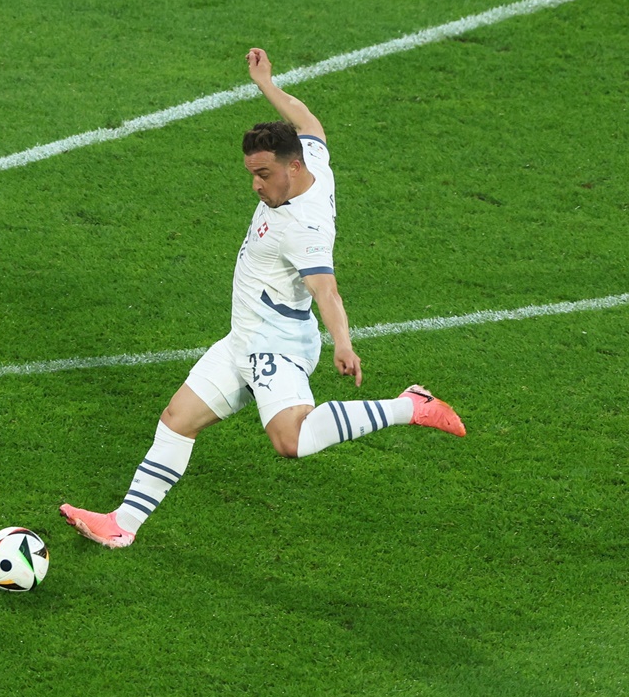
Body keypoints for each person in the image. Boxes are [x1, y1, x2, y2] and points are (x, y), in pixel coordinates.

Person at [60, 48, 465, 549]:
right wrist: (267, 85)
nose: (255, 185)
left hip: (276, 346)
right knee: (177, 420)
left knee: (289, 441)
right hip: (244, 338)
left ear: (292, 169)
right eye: (251, 174)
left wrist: (343, 343)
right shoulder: (310, 157)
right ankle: (123, 525)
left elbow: (327, 290)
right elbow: (310, 121)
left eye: (264, 175)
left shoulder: (304, 226)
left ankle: (410, 406)